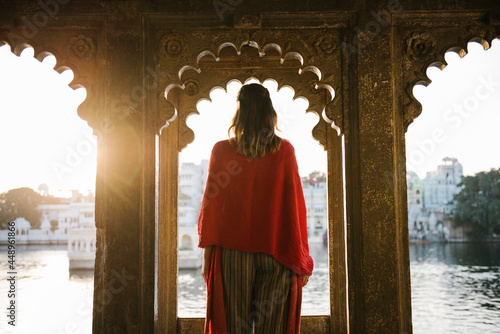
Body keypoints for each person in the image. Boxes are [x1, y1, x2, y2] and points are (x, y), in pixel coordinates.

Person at [198, 83, 313, 334]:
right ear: (269, 113)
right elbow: (294, 209)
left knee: (232, 327)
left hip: (232, 253)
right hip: (277, 251)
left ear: (239, 112)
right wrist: (301, 257)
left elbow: (212, 205)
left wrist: (208, 256)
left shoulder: (222, 150)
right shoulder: (284, 151)